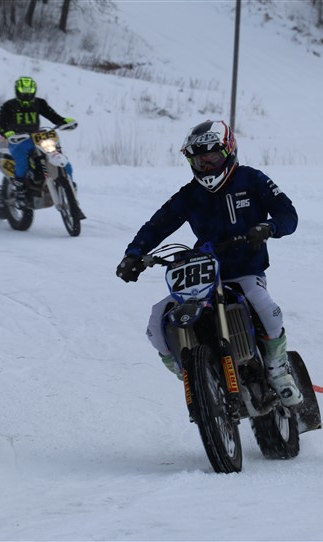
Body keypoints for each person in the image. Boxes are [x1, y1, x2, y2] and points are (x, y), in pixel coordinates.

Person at [116, 120, 303, 406]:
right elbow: (157, 225)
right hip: (203, 277)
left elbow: (288, 213)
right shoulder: (190, 195)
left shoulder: (252, 179)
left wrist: (269, 227)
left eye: (212, 156)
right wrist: (134, 254)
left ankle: (278, 370)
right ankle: (193, 377)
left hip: (246, 272)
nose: (206, 164)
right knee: (157, 319)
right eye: (198, 159)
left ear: (228, 151)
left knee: (264, 305)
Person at [0, 76, 75, 205]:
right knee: (22, 162)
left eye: (29, 92)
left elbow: (52, 115)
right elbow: (0, 125)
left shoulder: (39, 103)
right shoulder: (8, 106)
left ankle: (69, 183)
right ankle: (19, 188)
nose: (27, 96)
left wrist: (63, 121)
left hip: (37, 137)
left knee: (58, 155)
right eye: (24, 93)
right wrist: (7, 133)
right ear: (17, 91)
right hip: (17, 140)